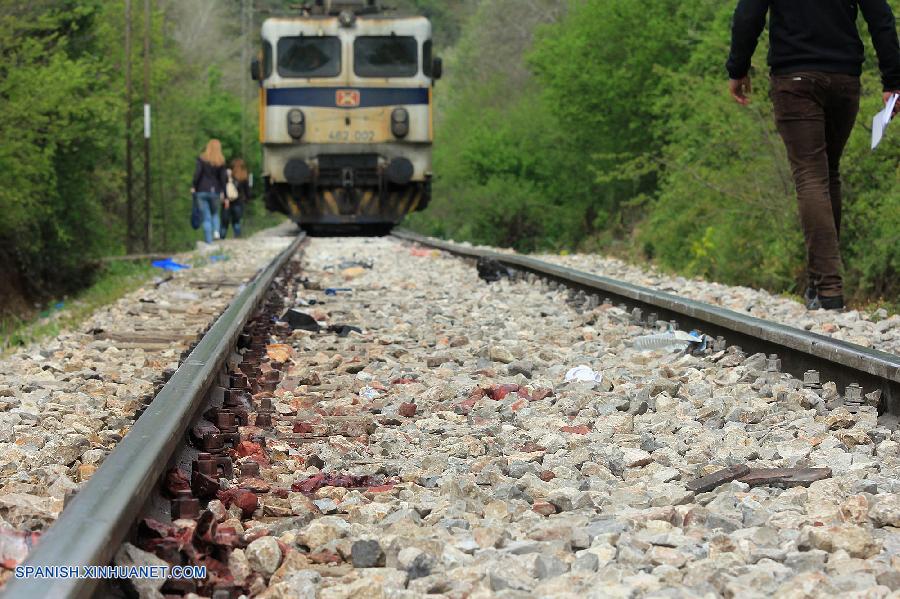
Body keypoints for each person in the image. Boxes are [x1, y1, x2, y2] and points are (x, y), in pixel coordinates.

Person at [726, 0, 900, 311]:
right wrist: (892, 80)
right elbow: (881, 15)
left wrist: (737, 69)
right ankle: (819, 285)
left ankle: (828, 287)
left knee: (810, 176)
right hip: (844, 79)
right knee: (827, 174)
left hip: (795, 77)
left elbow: (747, 15)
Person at [191, 139, 228, 244]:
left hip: (201, 191)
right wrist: (225, 195)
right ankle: (216, 232)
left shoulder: (201, 159)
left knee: (206, 217)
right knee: (215, 213)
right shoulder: (221, 162)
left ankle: (208, 241)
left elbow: (197, 174)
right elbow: (223, 179)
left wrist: (194, 186)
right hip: (215, 191)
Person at [221, 159, 251, 239]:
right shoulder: (244, 177)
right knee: (236, 222)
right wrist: (247, 199)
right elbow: (247, 191)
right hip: (239, 201)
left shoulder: (229, 176)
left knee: (224, 222)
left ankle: (221, 238)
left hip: (227, 201)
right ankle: (237, 238)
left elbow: (222, 186)